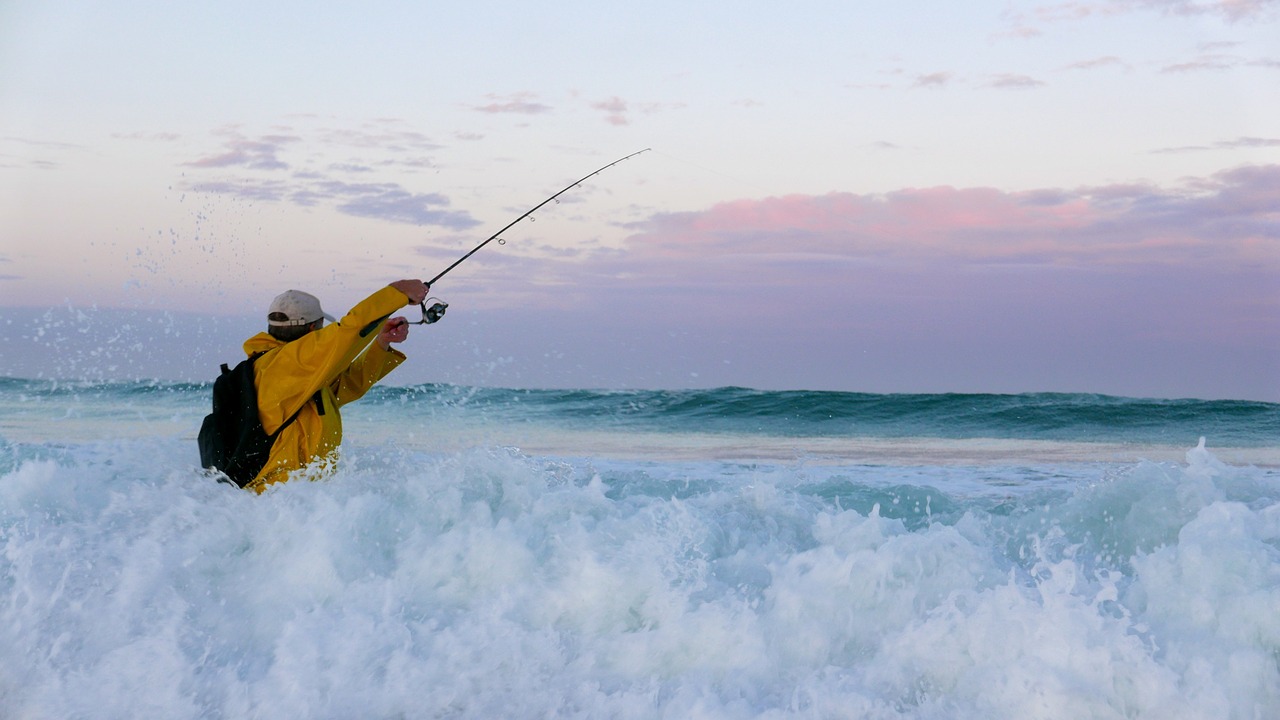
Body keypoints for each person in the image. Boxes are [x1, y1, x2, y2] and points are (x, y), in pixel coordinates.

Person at [239, 279, 429, 492]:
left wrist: (381, 343)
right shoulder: (285, 365)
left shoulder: (294, 375)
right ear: (313, 328)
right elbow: (348, 331)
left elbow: (348, 385)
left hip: (297, 501)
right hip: (277, 499)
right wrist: (397, 293)